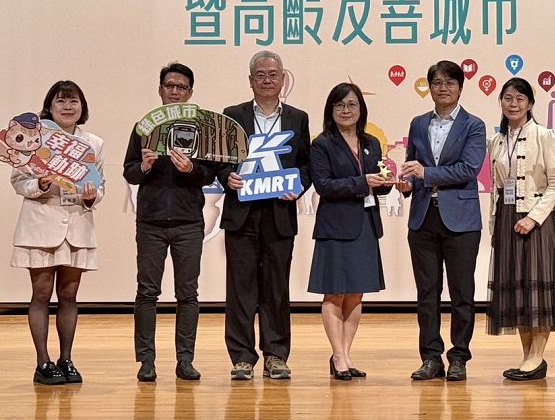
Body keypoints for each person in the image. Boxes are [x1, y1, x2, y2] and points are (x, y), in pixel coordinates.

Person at [217, 50, 311, 381]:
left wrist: (297, 187)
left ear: (283, 79)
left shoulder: (298, 118)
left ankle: (276, 355)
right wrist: (227, 177)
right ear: (250, 80)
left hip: (279, 213)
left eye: (273, 74)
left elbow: (305, 164)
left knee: (276, 288)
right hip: (242, 213)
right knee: (240, 288)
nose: (267, 80)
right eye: (260, 74)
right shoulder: (232, 115)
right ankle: (242, 357)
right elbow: (220, 160)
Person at [123, 63, 216, 382]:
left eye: (181, 87)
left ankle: (185, 360)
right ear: (160, 90)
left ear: (190, 92)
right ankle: (146, 361)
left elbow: (209, 175)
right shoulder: (144, 127)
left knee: (188, 293)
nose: (175, 91)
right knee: (147, 291)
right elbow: (129, 172)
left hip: (188, 222)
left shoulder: (202, 129)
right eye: (169, 86)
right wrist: (144, 166)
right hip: (151, 222)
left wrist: (191, 169)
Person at [396, 60, 486, 382]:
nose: (443, 88)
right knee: (427, 294)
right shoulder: (419, 123)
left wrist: (426, 173)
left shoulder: (474, 125)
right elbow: (412, 165)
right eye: (437, 82)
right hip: (423, 218)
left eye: (449, 82)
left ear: (460, 87)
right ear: (429, 87)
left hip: (461, 220)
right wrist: (407, 183)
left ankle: (459, 356)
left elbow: (468, 169)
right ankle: (431, 357)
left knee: (462, 293)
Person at [10, 81, 105, 385]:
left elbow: (100, 185)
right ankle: (43, 363)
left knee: (69, 295)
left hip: (77, 224)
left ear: (82, 107)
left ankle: (66, 359)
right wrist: (38, 185)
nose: (67, 107)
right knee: (41, 294)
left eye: (73, 101)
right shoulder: (34, 139)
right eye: (61, 101)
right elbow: (18, 181)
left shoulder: (94, 142)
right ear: (49, 107)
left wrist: (92, 197)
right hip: (40, 223)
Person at [486, 77, 555, 381]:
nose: (513, 104)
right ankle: (527, 357)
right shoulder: (496, 140)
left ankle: (537, 356)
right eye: (508, 98)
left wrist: (533, 217)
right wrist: (494, 225)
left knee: (537, 288)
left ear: (530, 104)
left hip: (536, 220)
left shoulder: (545, 135)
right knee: (517, 289)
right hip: (507, 217)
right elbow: (497, 188)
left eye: (520, 99)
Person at [308, 83, 393, 381]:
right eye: (340, 105)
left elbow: (377, 180)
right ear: (331, 110)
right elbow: (324, 186)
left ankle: (345, 354)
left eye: (352, 104)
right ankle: (338, 356)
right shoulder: (322, 144)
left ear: (361, 109)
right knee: (334, 293)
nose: (346, 110)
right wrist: (363, 182)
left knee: (356, 294)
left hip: (365, 225)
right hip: (335, 226)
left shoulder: (371, 142)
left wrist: (386, 183)